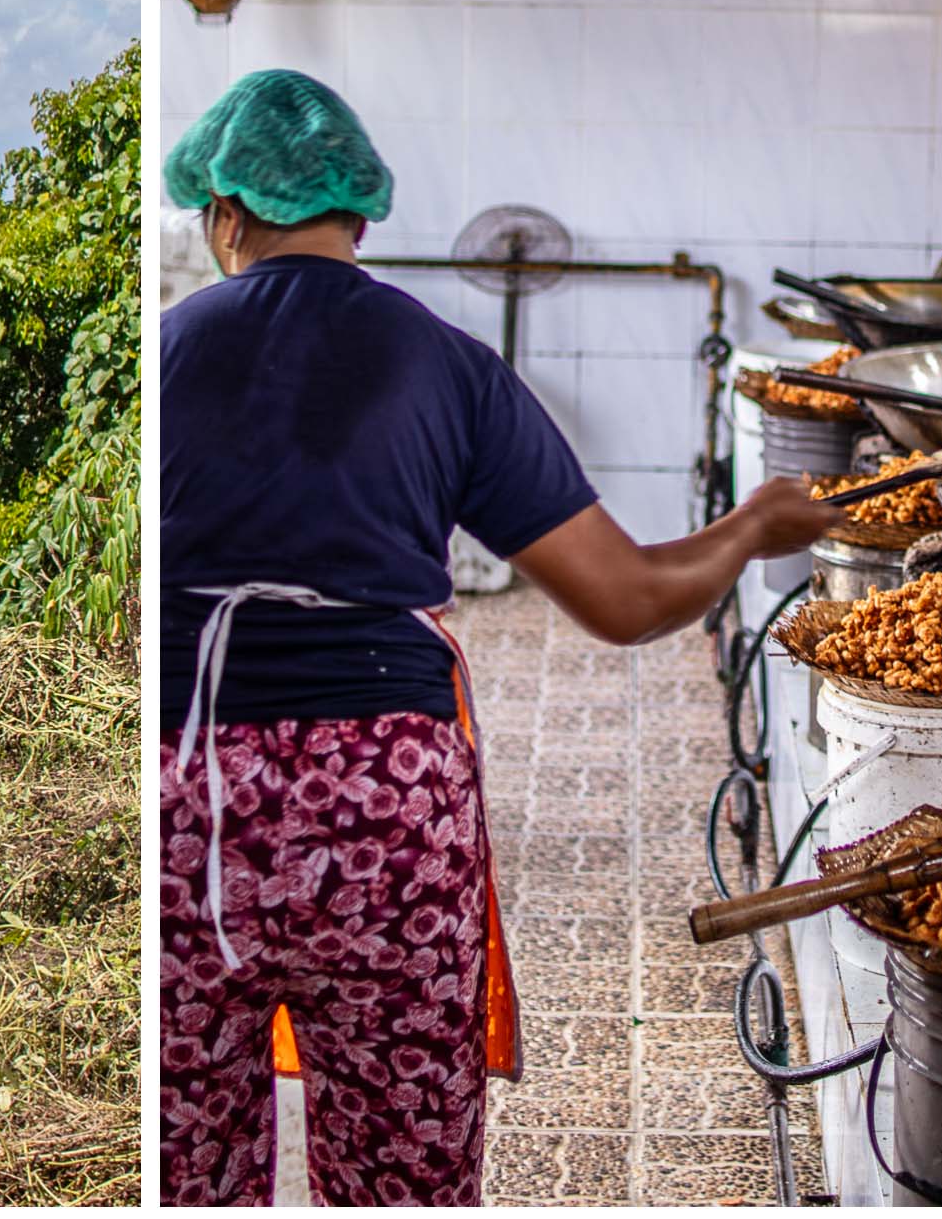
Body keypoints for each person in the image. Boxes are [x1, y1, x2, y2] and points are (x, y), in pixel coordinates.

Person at [158, 70, 839, 1205]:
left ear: (226, 214)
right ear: (359, 213)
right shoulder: (446, 363)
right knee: (401, 1161)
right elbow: (626, 597)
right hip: (384, 800)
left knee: (183, 1161)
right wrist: (756, 520)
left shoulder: (168, 349)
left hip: (186, 798)